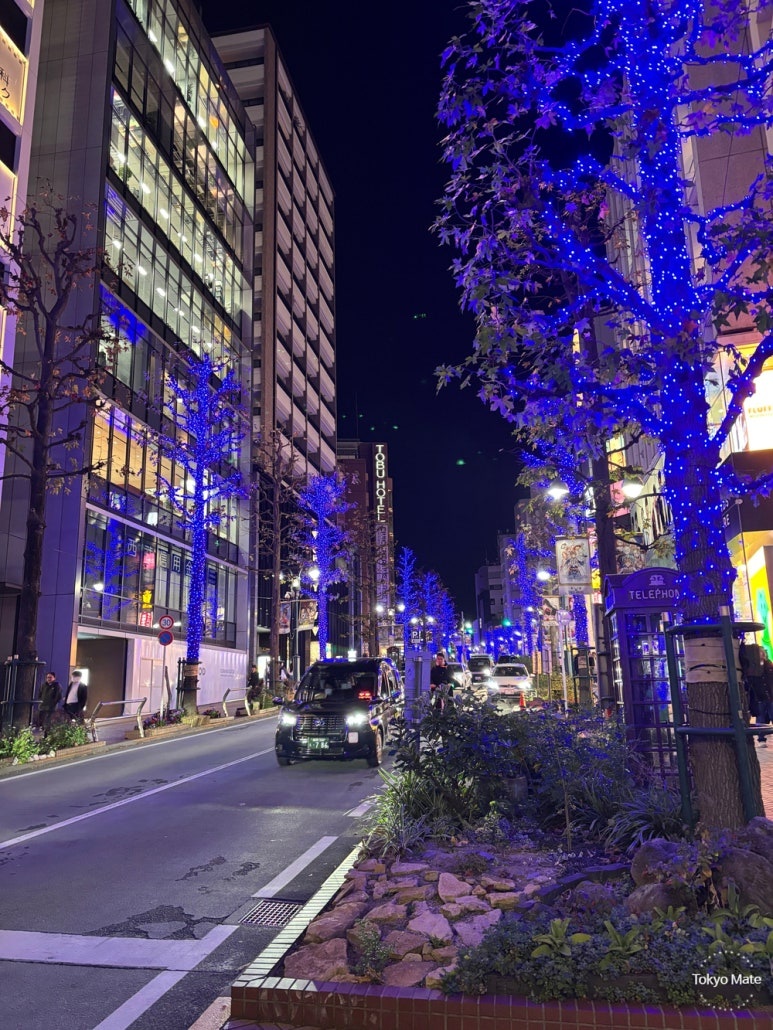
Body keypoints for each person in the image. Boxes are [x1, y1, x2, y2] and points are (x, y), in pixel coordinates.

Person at [755, 657, 773, 746]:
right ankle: (761, 739)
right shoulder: (755, 667)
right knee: (760, 718)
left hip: (769, 696)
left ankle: (762, 739)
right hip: (760, 697)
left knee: (764, 716)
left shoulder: (768, 665)